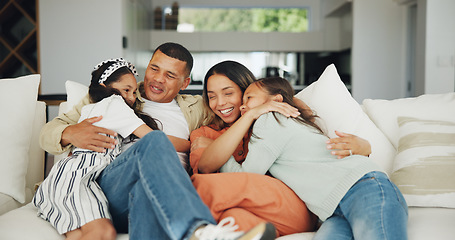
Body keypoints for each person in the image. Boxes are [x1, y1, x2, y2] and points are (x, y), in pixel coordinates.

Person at [39, 43, 276, 240]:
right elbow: (48, 132)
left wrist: (284, 103)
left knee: (146, 190)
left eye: (170, 75)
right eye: (154, 69)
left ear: (184, 83)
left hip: (158, 191)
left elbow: (235, 107)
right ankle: (197, 229)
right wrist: (70, 133)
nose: (158, 79)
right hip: (113, 185)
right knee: (155, 141)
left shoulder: (199, 107)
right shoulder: (120, 94)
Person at [218, 77, 409, 240]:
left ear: (276, 99)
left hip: (362, 189)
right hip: (333, 212)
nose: (243, 105)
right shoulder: (289, 123)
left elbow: (246, 176)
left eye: (249, 98)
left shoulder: (271, 119)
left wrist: (217, 152)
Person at [34, 58, 160, 240]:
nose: (132, 97)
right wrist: (70, 133)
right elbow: (154, 139)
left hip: (73, 178)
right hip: (76, 176)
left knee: (79, 236)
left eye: (134, 92)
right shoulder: (113, 103)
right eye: (127, 90)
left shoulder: (95, 108)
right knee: (104, 233)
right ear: (105, 86)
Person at [189, 60, 317, 237]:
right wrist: (250, 115)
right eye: (212, 96)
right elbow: (205, 167)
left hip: (289, 209)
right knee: (232, 219)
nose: (220, 103)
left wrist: (253, 112)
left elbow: (296, 107)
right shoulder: (203, 135)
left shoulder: (270, 120)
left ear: (245, 91)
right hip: (258, 218)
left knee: (200, 186)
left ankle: (182, 218)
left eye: (228, 93)